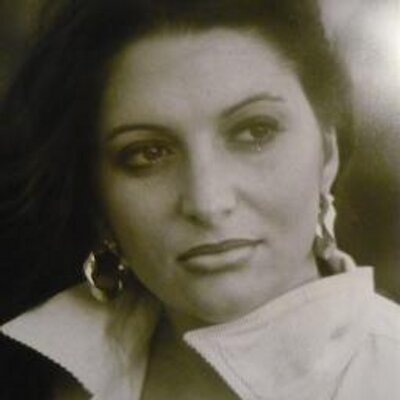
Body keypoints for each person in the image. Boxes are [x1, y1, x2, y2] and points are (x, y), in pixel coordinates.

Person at [1, 0, 400, 399]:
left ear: (327, 155)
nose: (207, 203)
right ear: (96, 196)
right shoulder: (41, 373)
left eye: (255, 132)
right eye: (148, 153)